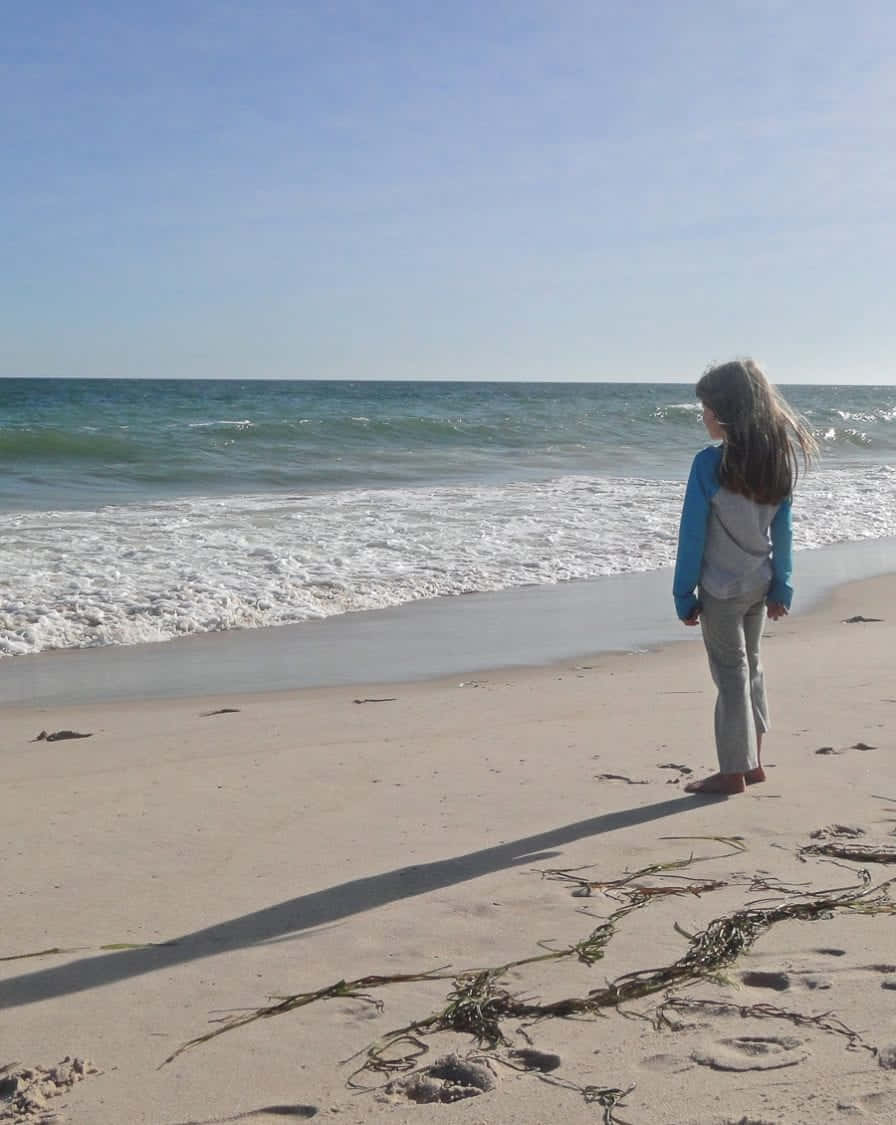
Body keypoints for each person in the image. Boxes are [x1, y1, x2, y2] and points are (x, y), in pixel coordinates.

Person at [672, 359, 818, 795]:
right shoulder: (777, 463)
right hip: (759, 584)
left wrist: (683, 594)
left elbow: (692, 535)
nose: (704, 416)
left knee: (731, 675)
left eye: (707, 408)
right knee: (751, 668)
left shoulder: (708, 465)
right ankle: (753, 762)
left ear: (726, 412)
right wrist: (783, 585)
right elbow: (784, 532)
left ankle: (732, 771)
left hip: (720, 590)